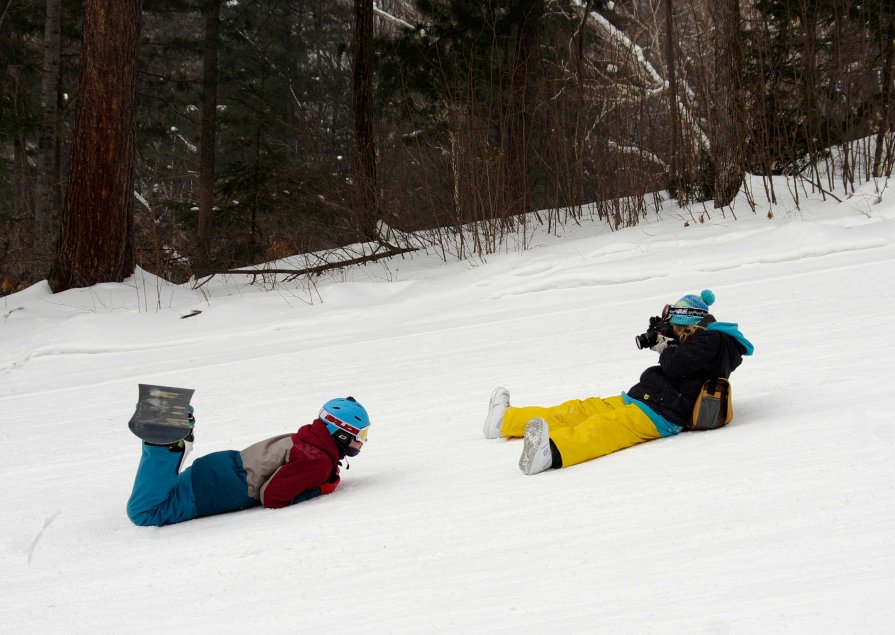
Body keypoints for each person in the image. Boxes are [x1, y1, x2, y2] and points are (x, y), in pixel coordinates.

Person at [482, 290, 754, 475]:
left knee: (603, 428)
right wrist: (666, 342)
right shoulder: (700, 342)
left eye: (672, 324)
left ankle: (551, 452)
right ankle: (504, 421)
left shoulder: (715, 341)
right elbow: (680, 362)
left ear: (687, 321)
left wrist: (664, 347)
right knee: (580, 410)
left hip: (663, 414)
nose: (669, 329)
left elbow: (678, 364)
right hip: (645, 400)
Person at [126, 396, 370, 526]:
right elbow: (273, 497)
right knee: (145, 512)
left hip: (218, 468)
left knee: (163, 493)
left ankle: (173, 437)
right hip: (216, 489)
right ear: (342, 433)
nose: (363, 442)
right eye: (361, 435)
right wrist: (318, 488)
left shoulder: (308, 438)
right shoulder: (316, 460)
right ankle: (166, 445)